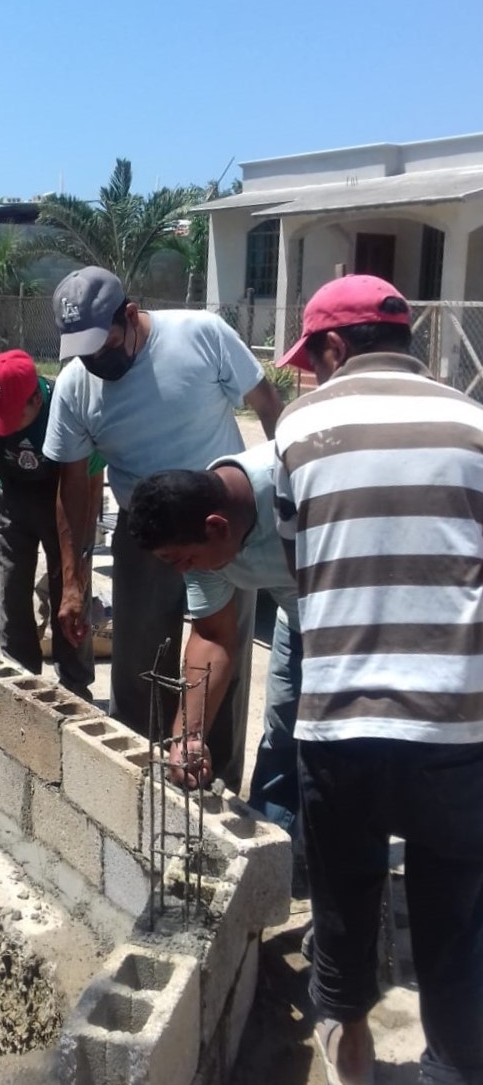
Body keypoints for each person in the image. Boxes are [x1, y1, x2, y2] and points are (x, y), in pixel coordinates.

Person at [274, 274, 483, 1085]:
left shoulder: (299, 425)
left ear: (334, 346)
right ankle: (454, 1068)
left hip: (339, 721)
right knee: (456, 921)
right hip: (455, 727)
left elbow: (300, 567)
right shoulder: (473, 421)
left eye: (313, 357)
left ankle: (351, 1059)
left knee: (343, 903)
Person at [43, 266, 283, 791]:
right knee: (139, 667)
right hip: (144, 537)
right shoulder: (76, 386)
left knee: (223, 660)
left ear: (129, 316)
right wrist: (72, 581)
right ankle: (139, 784)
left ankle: (211, 787)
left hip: (221, 532)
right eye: (81, 353)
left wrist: (281, 497)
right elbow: (74, 488)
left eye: (102, 348)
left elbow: (268, 405)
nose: (94, 363)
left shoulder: (201, 335)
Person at [127, 441, 301, 838]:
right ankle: (277, 854)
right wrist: (189, 735)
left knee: (350, 752)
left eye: (181, 560)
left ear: (217, 527)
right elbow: (213, 635)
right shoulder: (199, 528)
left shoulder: (297, 484)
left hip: (371, 618)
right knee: (285, 736)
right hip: (299, 618)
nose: (182, 570)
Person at [0, 349, 96, 699]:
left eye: (12, 417)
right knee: (12, 591)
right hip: (8, 493)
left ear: (36, 399)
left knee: (70, 595)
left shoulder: (67, 409)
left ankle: (74, 685)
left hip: (66, 497)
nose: (3, 427)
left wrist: (76, 569)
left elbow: (89, 486)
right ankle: (20, 681)